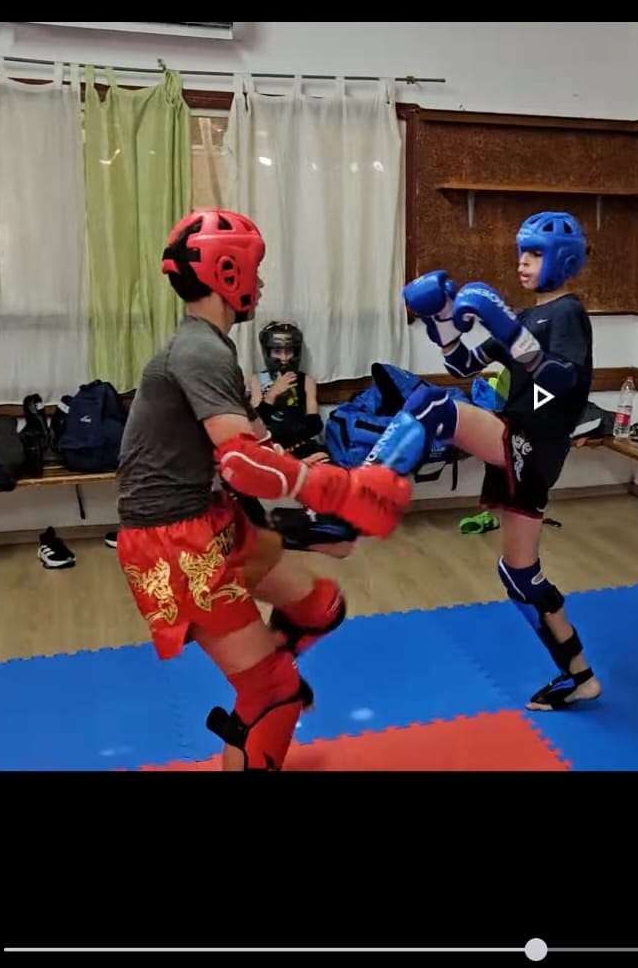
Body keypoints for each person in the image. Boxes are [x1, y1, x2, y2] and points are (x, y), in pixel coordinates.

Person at [114, 208, 411, 770]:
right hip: (173, 541)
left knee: (320, 607)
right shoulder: (200, 351)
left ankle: (265, 684)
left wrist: (323, 496)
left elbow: (253, 439)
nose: (261, 281)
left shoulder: (211, 346)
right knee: (273, 691)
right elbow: (242, 464)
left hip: (212, 517)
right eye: (255, 269)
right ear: (227, 271)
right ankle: (266, 693)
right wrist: (338, 492)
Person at [367, 211, 600, 710]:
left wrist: (510, 332)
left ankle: (357, 494)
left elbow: (563, 382)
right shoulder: (526, 317)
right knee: (519, 575)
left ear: (562, 260)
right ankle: (579, 676)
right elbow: (462, 364)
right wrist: (442, 319)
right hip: (522, 442)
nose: (522, 262)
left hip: (533, 439)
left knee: (431, 406)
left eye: (534, 254)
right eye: (522, 252)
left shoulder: (567, 313)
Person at [248, 321, 325, 459]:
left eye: (288, 352)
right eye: (277, 352)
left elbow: (315, 425)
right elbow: (255, 423)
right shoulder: (257, 380)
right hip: (269, 448)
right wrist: (273, 393)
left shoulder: (306, 380)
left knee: (324, 462)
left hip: (299, 447)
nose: (284, 358)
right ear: (268, 352)